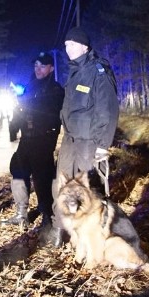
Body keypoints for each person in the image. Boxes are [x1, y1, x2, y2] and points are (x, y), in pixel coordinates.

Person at [50, 26, 119, 247]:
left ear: (83, 46)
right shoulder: (74, 72)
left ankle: (96, 233)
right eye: (66, 45)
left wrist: (102, 145)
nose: (66, 48)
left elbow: (107, 109)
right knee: (61, 183)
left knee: (91, 188)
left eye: (70, 44)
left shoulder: (98, 72)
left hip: (90, 141)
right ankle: (61, 230)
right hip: (70, 139)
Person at [2, 51, 64, 228]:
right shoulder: (29, 87)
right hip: (27, 139)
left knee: (42, 177)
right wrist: (13, 129)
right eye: (36, 65)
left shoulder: (55, 90)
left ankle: (47, 216)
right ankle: (21, 214)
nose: (38, 69)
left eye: (42, 66)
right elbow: (20, 111)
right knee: (18, 171)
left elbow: (53, 114)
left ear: (51, 68)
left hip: (44, 139)